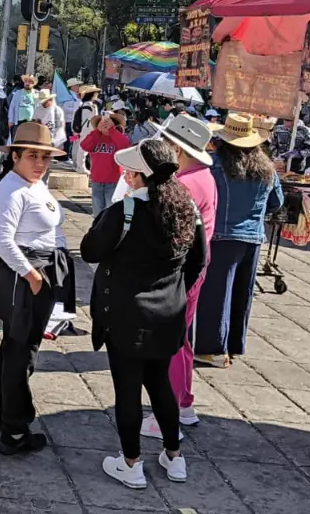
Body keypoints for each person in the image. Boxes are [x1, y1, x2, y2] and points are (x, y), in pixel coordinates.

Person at [82, 138, 207, 489]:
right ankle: (174, 455)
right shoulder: (186, 210)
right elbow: (198, 262)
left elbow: (91, 250)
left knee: (127, 389)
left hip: (125, 312)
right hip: (168, 313)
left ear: (137, 176)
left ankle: (131, 463)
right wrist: (173, 291)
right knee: (160, 384)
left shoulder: (124, 211)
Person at [0, 122, 67, 454]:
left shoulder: (31, 184)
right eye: (32, 156)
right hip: (28, 275)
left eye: (45, 157)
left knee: (13, 348)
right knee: (23, 352)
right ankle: (14, 430)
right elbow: (2, 239)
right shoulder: (12, 188)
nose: (40, 163)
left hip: (39, 271)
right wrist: (32, 276)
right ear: (15, 155)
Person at [140, 114, 217, 438]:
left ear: (177, 149)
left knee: (167, 342)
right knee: (179, 340)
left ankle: (166, 413)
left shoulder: (184, 182)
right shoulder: (203, 175)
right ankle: (183, 404)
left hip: (179, 272)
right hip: (193, 267)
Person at [194, 114, 282, 367]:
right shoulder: (267, 168)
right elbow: (277, 203)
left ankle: (212, 348)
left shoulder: (213, 165)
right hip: (252, 238)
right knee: (242, 293)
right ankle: (232, 345)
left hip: (221, 236)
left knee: (216, 293)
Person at [81, 112, 130, 215]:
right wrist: (97, 131)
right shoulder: (95, 137)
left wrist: (112, 130)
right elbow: (84, 145)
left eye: (108, 122)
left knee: (111, 214)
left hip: (113, 182)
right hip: (96, 182)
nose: (105, 124)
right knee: (98, 214)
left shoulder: (118, 138)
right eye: (102, 122)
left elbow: (125, 145)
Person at [71, 85, 101, 174]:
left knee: (80, 148)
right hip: (86, 130)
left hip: (82, 130)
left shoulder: (84, 104)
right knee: (83, 149)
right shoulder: (89, 105)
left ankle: (79, 166)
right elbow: (89, 120)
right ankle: (81, 167)